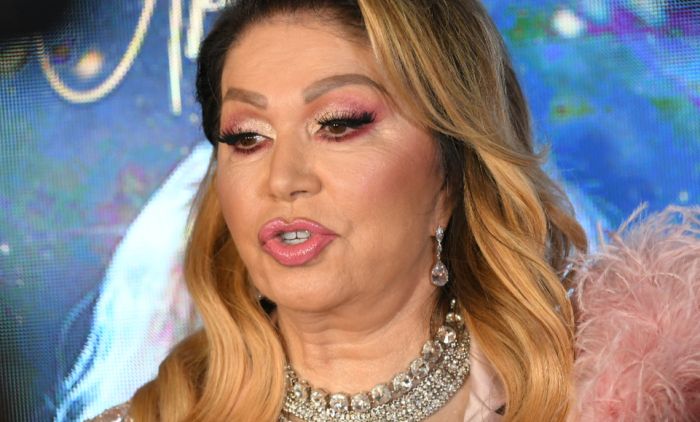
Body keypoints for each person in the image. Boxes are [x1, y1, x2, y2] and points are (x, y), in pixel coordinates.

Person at [91, 0, 589, 420]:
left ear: (451, 175)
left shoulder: (602, 395)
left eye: (337, 124)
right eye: (247, 136)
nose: (283, 179)